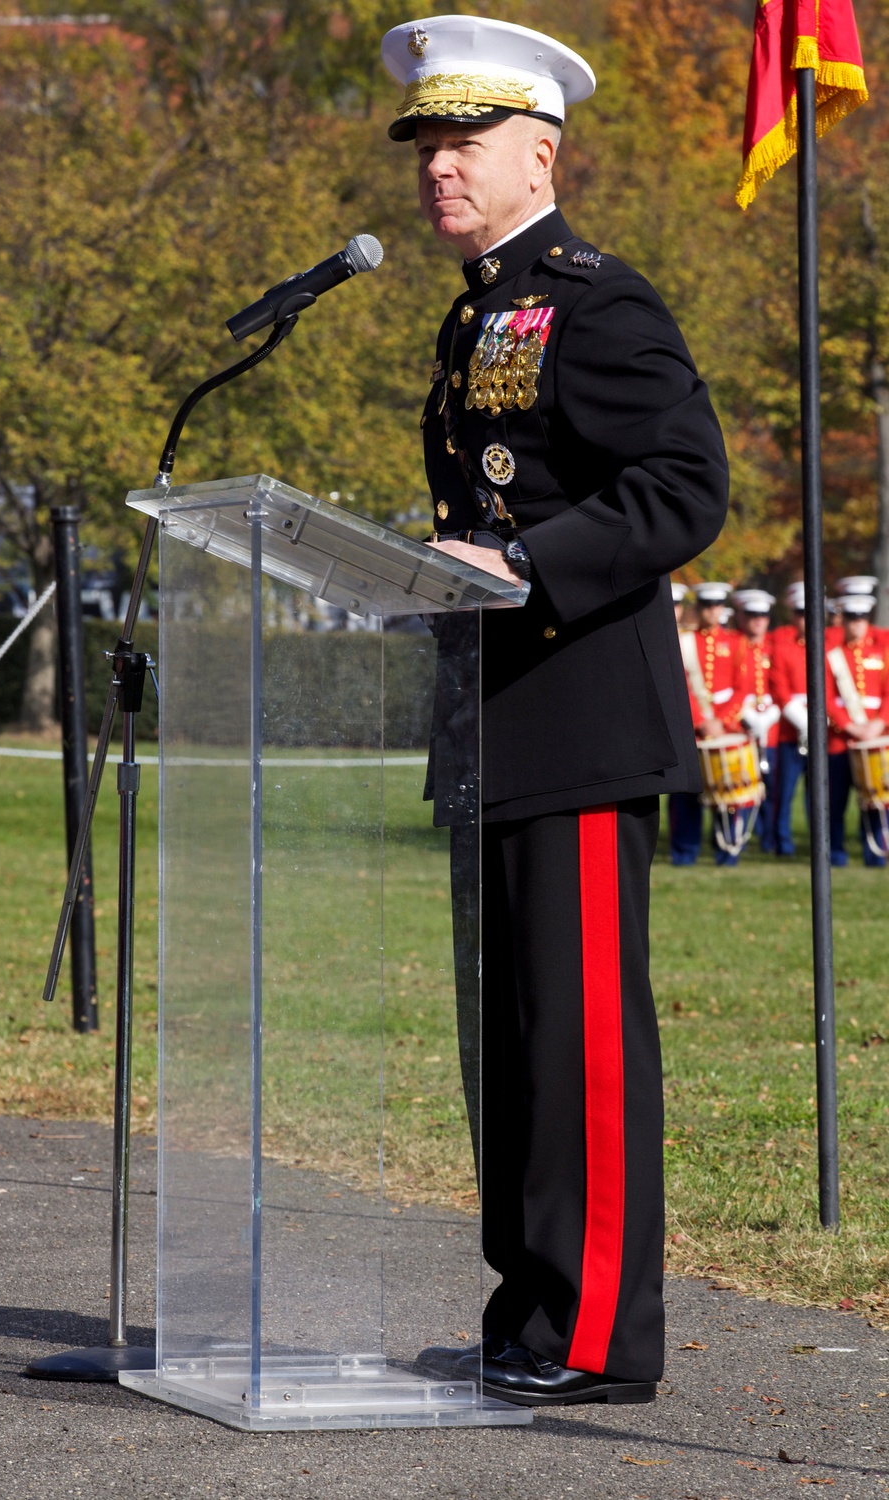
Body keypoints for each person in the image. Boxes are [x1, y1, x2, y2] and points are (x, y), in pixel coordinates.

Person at [381, 14, 728, 1407]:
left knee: (578, 1037)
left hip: (578, 716)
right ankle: (528, 1311)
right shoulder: (479, 309)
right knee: (512, 1039)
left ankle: (594, 1335)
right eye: (424, 147)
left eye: (465, 143)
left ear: (541, 150)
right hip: (495, 713)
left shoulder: (597, 299)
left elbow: (685, 485)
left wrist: (522, 565)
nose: (438, 170)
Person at [672, 582, 741, 864]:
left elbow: (744, 687)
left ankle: (727, 852)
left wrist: (722, 721)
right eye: (707, 606)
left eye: (717, 605)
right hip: (694, 731)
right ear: (699, 609)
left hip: (725, 728)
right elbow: (679, 685)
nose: (713, 611)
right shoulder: (684, 641)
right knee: (687, 794)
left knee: (729, 794)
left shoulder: (737, 642)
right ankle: (684, 852)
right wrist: (700, 721)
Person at [826, 592, 889, 867]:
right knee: (835, 804)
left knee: (877, 800)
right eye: (852, 618)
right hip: (841, 741)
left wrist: (879, 723)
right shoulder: (832, 655)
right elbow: (826, 697)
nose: (857, 624)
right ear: (844, 621)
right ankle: (834, 855)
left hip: (877, 737)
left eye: (862, 618)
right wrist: (850, 726)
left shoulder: (882, 652)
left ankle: (875, 853)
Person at [731, 589, 779, 854]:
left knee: (772, 788)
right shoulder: (735, 645)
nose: (758, 620)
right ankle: (744, 837)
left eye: (763, 615)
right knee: (742, 788)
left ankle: (769, 839)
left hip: (770, 729)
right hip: (741, 726)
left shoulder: (774, 646)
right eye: (752, 615)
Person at [770, 582, 809, 856]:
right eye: (800, 612)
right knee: (784, 793)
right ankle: (782, 843)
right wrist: (803, 721)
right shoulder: (783, 649)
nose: (805, 618)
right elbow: (780, 690)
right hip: (790, 731)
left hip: (823, 730)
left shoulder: (829, 648)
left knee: (819, 794)